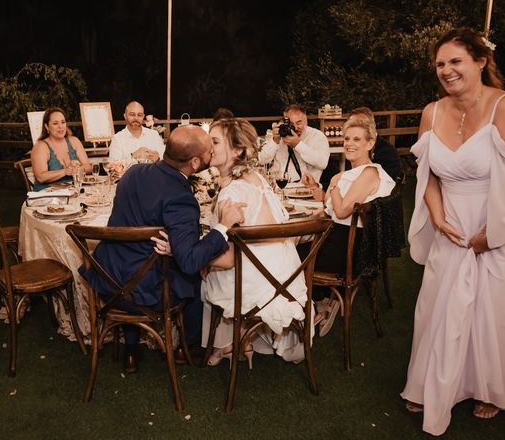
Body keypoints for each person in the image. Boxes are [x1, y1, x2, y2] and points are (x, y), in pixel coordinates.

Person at [401, 27, 505, 436]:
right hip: (450, 226)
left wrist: (495, 232)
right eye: (439, 64)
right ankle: (425, 382)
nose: (446, 71)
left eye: (455, 61)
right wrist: (436, 217)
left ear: (481, 62)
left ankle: (492, 388)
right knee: (437, 305)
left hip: (499, 225)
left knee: (490, 312)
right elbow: (428, 175)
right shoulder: (432, 112)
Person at [81, 125, 246, 373]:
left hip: (107, 280)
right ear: (194, 162)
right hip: (144, 293)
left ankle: (131, 348)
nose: (213, 154)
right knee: (193, 275)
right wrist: (222, 227)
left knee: (137, 262)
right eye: (209, 152)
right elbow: (190, 260)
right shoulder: (181, 198)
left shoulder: (133, 173)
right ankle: (189, 348)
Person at [200, 117, 311, 365]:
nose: (208, 147)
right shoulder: (257, 179)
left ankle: (227, 343)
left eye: (215, 142)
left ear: (237, 150)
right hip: (286, 279)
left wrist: (199, 260)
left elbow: (228, 260)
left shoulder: (231, 193)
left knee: (205, 275)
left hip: (257, 288)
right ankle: (241, 340)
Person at [297, 112, 395, 336]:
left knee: (288, 256)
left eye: (357, 139)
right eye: (347, 139)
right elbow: (331, 203)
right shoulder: (352, 174)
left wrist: (334, 185)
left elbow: (341, 209)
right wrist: (317, 188)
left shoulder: (369, 173)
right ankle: (322, 303)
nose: (349, 144)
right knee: (293, 248)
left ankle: (306, 312)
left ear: (370, 143)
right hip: (337, 238)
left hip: (346, 250)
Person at [258, 103, 329, 183]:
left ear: (306, 120)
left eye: (299, 123)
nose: (295, 127)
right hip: (278, 186)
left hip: (304, 189)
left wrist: (298, 145)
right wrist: (275, 141)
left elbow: (322, 163)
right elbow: (262, 161)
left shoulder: (317, 136)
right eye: (291, 124)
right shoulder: (281, 133)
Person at [30, 107, 93, 191]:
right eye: (55, 123)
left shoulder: (74, 141)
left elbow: (88, 167)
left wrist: (78, 169)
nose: (61, 126)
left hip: (71, 191)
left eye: (63, 122)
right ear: (47, 127)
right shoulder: (41, 146)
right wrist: (65, 171)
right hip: (47, 194)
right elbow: (40, 177)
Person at [344, 107, 404, 182]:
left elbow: (385, 182)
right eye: (352, 123)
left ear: (372, 126)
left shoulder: (387, 150)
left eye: (361, 124)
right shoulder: (352, 148)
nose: (355, 126)